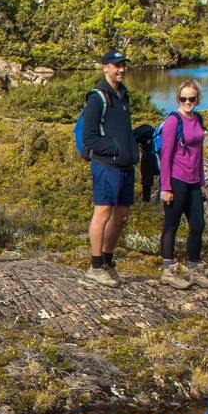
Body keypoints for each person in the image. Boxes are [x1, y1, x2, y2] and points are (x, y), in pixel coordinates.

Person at [78, 50, 137, 287]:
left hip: (125, 166)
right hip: (106, 166)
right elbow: (89, 137)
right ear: (105, 67)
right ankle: (95, 266)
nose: (120, 69)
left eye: (123, 65)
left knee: (121, 216)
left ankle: (107, 260)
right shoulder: (97, 98)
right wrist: (114, 148)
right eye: (115, 65)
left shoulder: (123, 95)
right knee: (102, 213)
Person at [156, 79, 208, 290]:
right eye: (183, 98)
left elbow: (199, 154)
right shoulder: (174, 120)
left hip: (193, 181)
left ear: (197, 99)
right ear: (178, 98)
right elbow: (165, 156)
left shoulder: (198, 119)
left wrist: (202, 181)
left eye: (191, 98)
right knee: (171, 225)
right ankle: (168, 271)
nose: (187, 102)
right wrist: (165, 187)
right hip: (176, 179)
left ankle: (194, 271)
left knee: (198, 225)